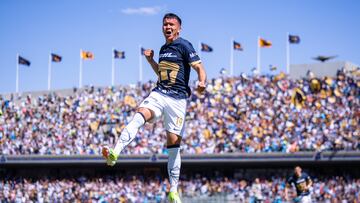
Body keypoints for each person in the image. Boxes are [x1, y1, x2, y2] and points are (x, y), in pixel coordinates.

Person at [102, 13, 207, 203]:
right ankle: (114, 152)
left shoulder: (184, 45)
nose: (167, 26)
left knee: (173, 145)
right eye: (165, 24)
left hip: (177, 100)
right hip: (159, 93)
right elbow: (162, 74)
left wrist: (201, 82)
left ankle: (174, 191)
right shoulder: (163, 49)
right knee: (140, 114)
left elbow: (199, 67)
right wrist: (151, 61)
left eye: (171, 24)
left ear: (178, 28)